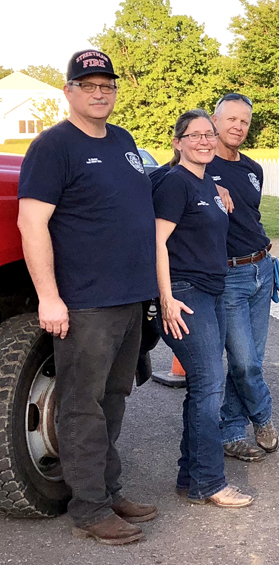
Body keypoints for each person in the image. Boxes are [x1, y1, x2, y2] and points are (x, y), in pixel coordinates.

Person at [17, 49, 158, 545]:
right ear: (69, 91)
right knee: (81, 404)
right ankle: (89, 508)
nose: (100, 92)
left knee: (114, 399)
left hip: (129, 298)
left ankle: (107, 489)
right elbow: (31, 222)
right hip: (86, 302)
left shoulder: (123, 141)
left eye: (107, 85)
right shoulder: (53, 146)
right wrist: (49, 297)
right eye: (89, 84)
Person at [153, 109, 255, 509]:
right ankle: (209, 483)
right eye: (194, 136)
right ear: (178, 142)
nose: (204, 141)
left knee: (202, 387)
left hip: (211, 292)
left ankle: (189, 477)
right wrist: (165, 297)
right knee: (209, 388)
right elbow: (157, 242)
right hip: (185, 294)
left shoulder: (206, 181)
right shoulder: (175, 183)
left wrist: (216, 186)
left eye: (208, 134)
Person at [208, 93, 279, 462]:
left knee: (252, 359)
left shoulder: (253, 168)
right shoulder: (199, 165)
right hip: (229, 276)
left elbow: (252, 216)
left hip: (262, 270)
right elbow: (165, 184)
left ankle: (232, 432)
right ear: (215, 121)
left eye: (244, 121)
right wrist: (208, 186)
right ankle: (263, 416)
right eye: (231, 119)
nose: (238, 126)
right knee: (244, 361)